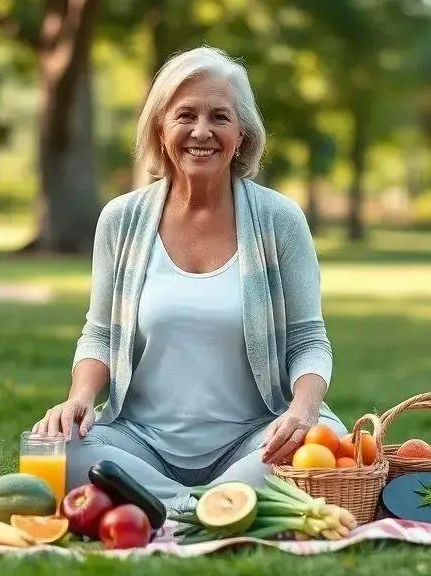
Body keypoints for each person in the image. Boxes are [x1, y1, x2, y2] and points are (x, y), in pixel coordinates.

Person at [31, 46, 347, 512]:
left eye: (220, 116)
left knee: (326, 438)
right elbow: (98, 333)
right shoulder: (121, 219)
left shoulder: (280, 219)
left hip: (254, 440)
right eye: (185, 116)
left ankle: (162, 507)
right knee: (49, 448)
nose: (202, 131)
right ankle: (212, 507)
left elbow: (309, 340)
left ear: (241, 134)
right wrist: (79, 397)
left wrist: (301, 413)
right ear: (161, 127)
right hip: (139, 442)